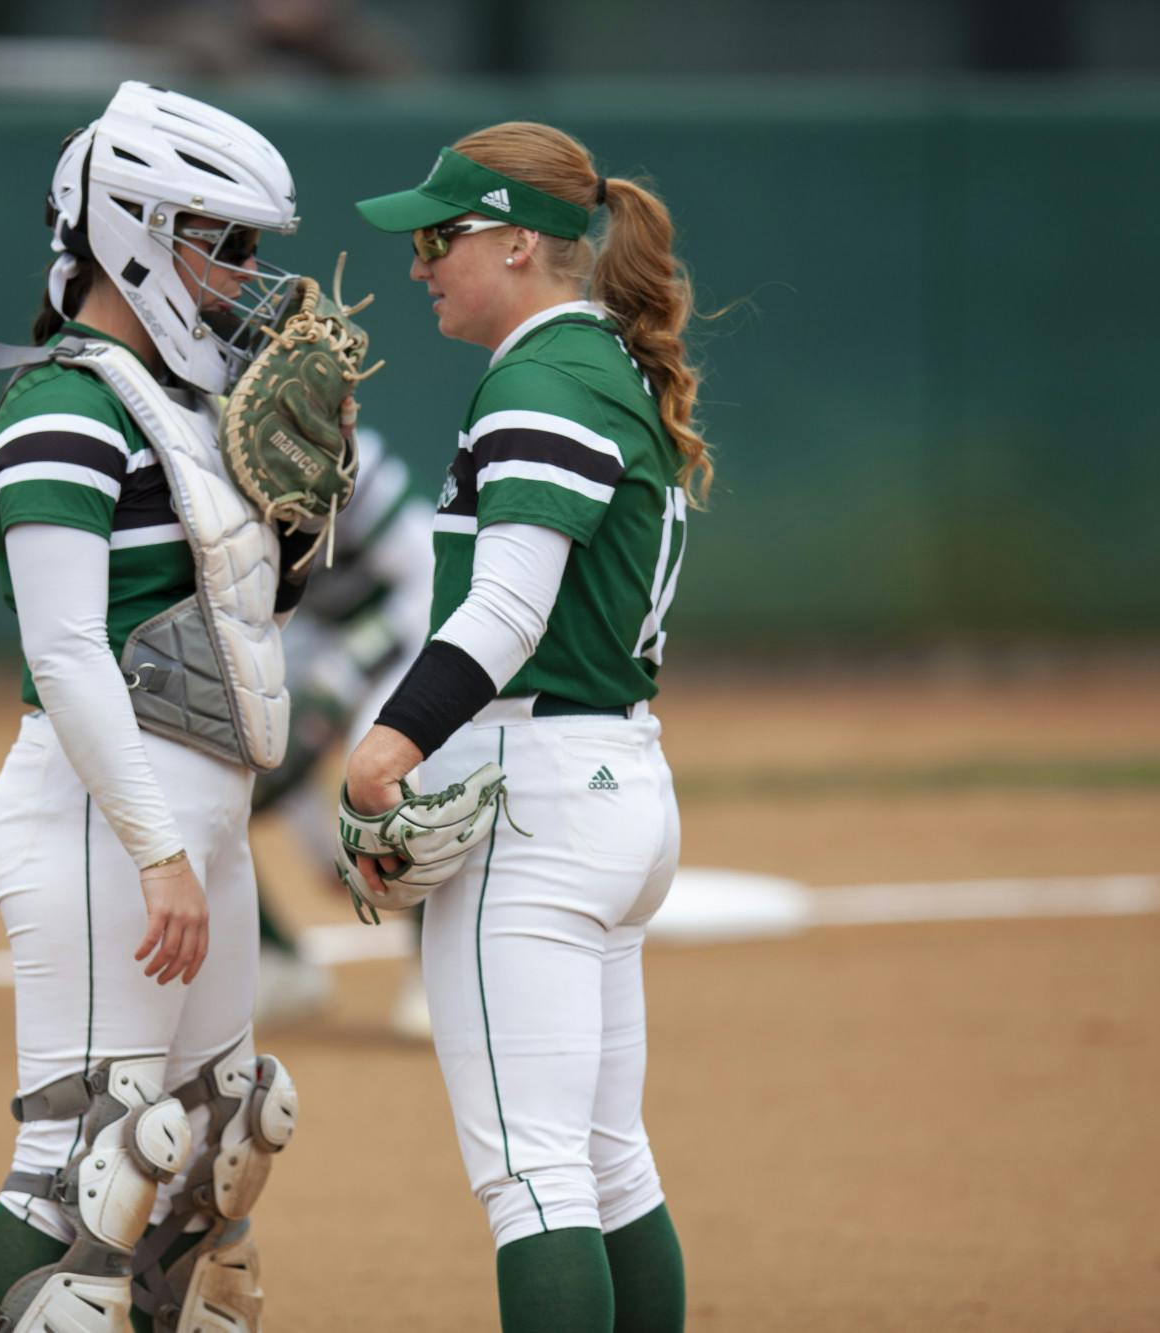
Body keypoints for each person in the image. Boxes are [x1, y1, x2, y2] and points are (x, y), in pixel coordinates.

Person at [342, 122, 708, 1332]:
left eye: (438, 239)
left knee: (532, 1175)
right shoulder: (602, 363)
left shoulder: (541, 379)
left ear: (514, 242)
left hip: (538, 791)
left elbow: (507, 608)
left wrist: (386, 747)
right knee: (604, 1162)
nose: (417, 264)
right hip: (611, 780)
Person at [0, 81, 313, 1333]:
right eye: (225, 245)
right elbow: (65, 652)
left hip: (194, 814)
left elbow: (234, 616)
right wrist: (158, 850)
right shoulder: (61, 405)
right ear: (135, 234)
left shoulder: (185, 404)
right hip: (104, 819)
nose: (246, 277)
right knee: (84, 1160)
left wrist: (296, 533)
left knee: (210, 1154)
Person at [249, 427, 437, 1037]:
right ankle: (276, 963)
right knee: (217, 770)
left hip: (411, 623)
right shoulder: (219, 469)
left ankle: (435, 973)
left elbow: (429, 583)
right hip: (313, 634)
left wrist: (351, 666)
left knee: (398, 771)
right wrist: (321, 842)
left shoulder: (355, 460)